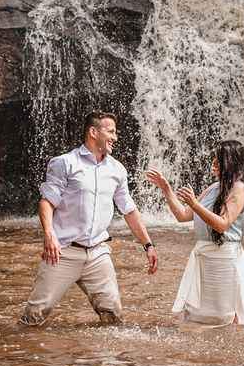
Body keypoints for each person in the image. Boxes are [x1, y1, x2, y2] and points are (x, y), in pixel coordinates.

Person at [18, 111, 160, 326]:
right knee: (34, 317)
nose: (115, 138)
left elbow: (129, 210)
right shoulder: (64, 163)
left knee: (114, 318)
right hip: (63, 252)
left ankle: (104, 359)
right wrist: (49, 234)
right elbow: (47, 201)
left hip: (98, 253)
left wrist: (148, 245)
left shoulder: (117, 169)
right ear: (93, 132)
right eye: (111, 132)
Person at [145, 140, 244, 325]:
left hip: (226, 263)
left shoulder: (239, 189)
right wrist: (167, 189)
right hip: (204, 260)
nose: (214, 163)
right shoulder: (213, 188)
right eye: (214, 158)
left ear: (231, 161)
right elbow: (183, 215)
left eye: (218, 159)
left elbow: (222, 225)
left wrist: (194, 203)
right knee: (197, 318)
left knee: (228, 318)